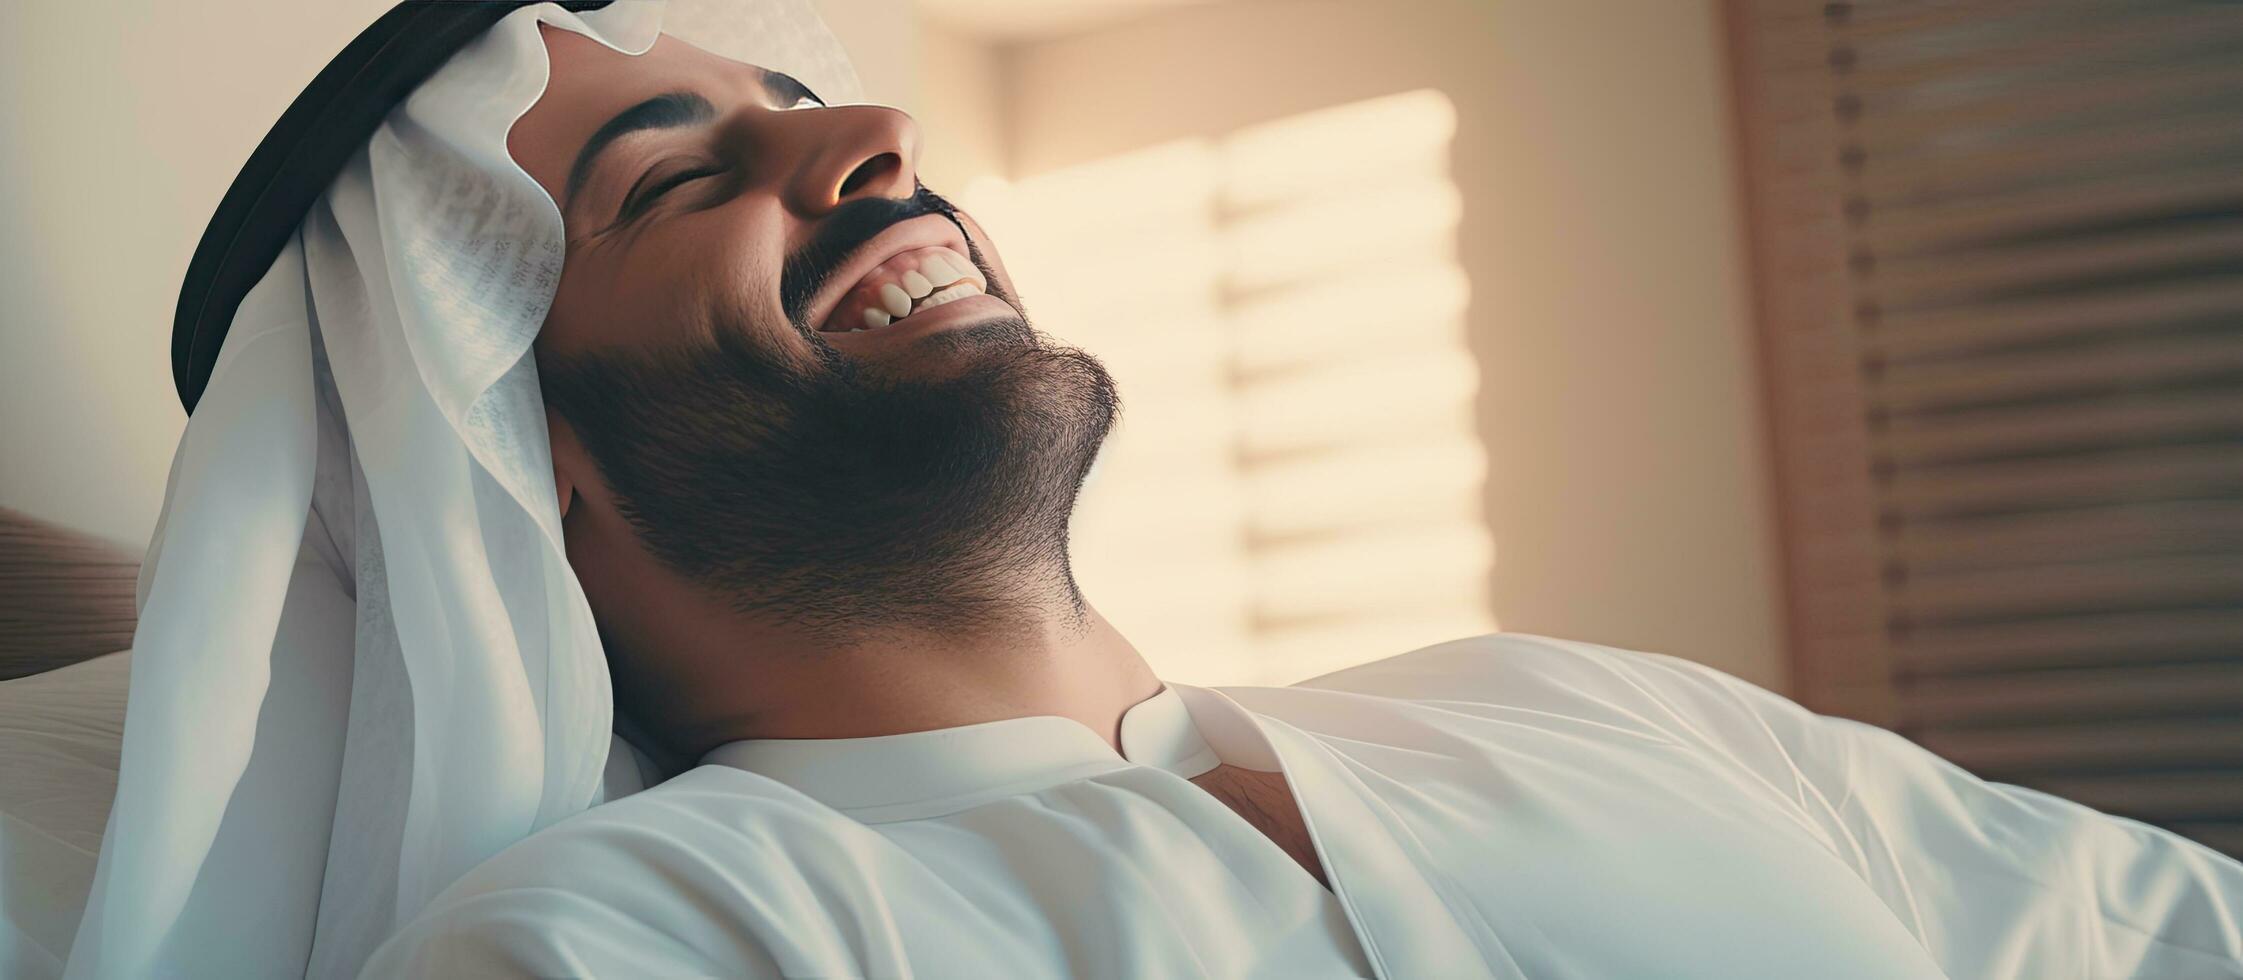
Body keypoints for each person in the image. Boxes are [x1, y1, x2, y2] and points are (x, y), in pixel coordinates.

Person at [73, 3, 2243, 978]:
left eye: (802, 100)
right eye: (675, 181)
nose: (870, 139)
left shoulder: (1602, 709)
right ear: (509, 472)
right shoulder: (640, 944)